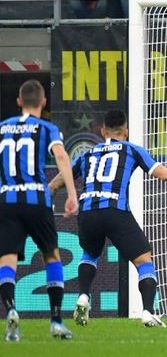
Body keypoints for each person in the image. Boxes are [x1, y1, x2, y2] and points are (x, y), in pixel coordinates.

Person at [49, 110, 167, 328]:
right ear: (126, 131)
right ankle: (148, 312)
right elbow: (163, 174)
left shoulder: (88, 154)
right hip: (115, 210)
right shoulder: (131, 149)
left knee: (90, 254)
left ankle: (84, 296)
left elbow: (56, 182)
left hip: (87, 212)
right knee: (144, 261)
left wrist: (47, 199)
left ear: (103, 131)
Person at [0, 80, 79, 341]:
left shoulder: (2, 128)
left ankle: (11, 310)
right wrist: (71, 193)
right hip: (37, 200)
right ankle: (56, 321)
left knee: (7, 259)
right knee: (51, 256)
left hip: (7, 200)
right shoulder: (47, 127)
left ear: (19, 102)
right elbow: (61, 156)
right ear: (44, 102)